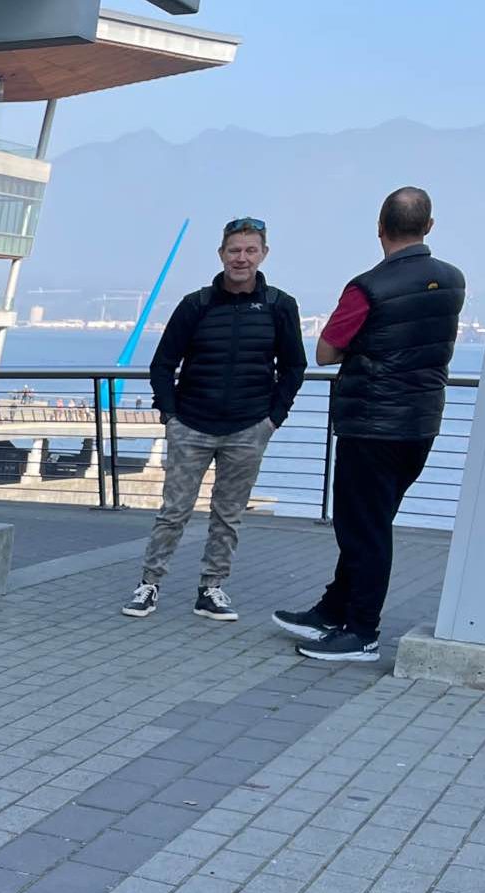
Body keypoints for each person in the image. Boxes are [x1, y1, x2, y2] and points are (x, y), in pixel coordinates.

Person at [275, 187, 464, 662]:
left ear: (379, 227)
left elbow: (325, 352)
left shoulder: (368, 287)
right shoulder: (453, 280)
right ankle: (332, 610)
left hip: (372, 422)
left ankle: (362, 632)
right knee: (369, 523)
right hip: (422, 421)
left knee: (364, 530)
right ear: (430, 226)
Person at [123, 217, 306, 620]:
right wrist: (169, 415)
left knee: (229, 515)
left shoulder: (280, 306)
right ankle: (149, 584)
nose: (241, 258)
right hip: (191, 423)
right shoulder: (196, 305)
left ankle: (212, 589)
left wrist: (273, 419)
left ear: (263, 254)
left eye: (250, 250)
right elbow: (163, 363)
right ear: (222, 254)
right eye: (234, 250)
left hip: (248, 426)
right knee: (173, 511)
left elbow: (294, 367)